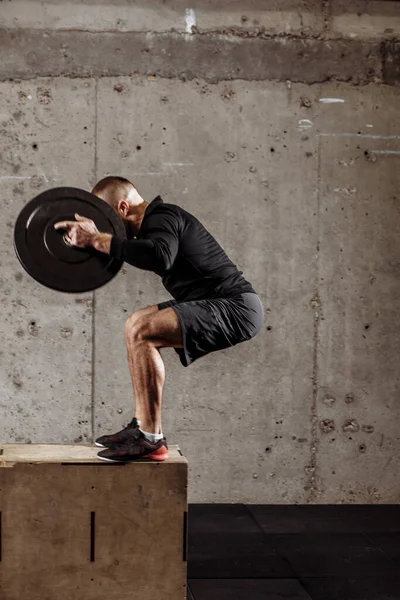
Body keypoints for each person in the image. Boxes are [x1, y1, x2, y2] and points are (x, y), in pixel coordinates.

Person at [55, 176, 264, 462]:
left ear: (123, 207)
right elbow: (138, 252)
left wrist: (96, 239)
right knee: (135, 323)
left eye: (107, 217)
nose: (106, 226)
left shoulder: (161, 217)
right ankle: (143, 426)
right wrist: (91, 243)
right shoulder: (150, 226)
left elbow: (161, 255)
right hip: (210, 301)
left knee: (143, 331)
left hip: (235, 306)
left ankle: (150, 439)